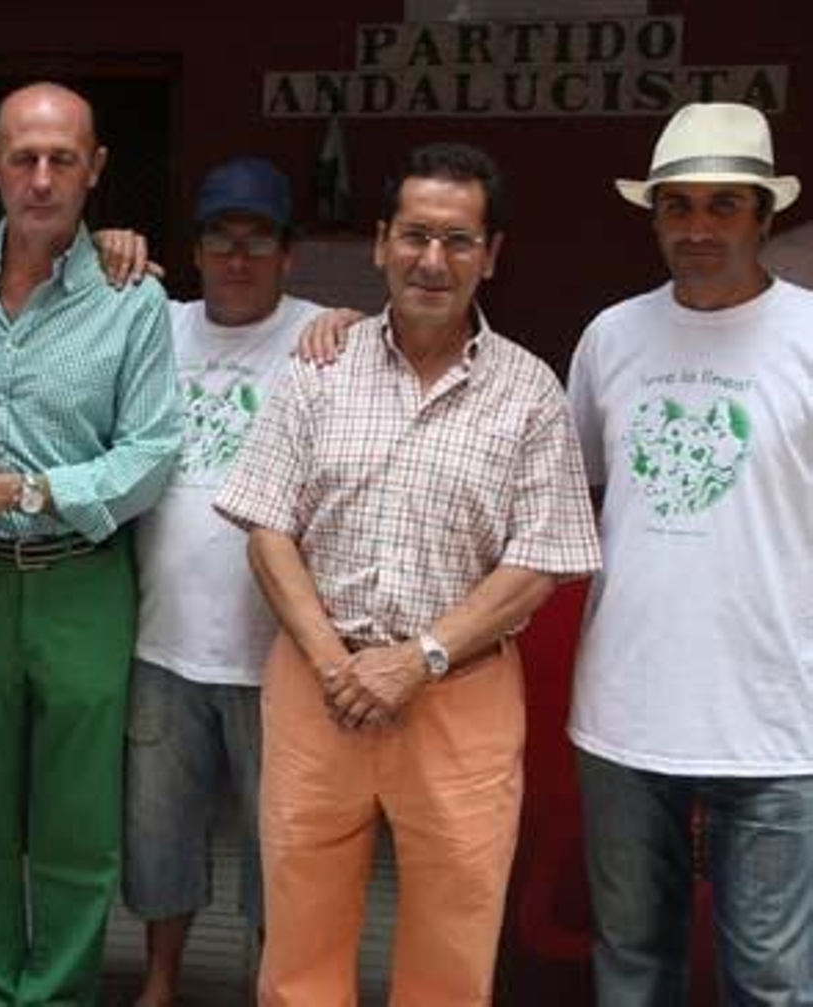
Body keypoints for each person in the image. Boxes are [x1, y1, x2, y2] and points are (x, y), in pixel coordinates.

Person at [216, 141, 600, 1006]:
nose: (434, 260)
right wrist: (332, 663)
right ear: (381, 243)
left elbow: (538, 560)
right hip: (319, 686)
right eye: (416, 235)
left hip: (458, 696)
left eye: (459, 241)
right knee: (300, 940)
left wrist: (417, 656)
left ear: (491, 255)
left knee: (454, 938)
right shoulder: (318, 370)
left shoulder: (529, 391)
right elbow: (268, 527)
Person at [0, 80, 182, 1004]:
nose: (43, 177)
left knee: (75, 820)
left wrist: (27, 488)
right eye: (24, 157)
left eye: (64, 159)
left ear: (96, 169)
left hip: (80, 581)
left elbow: (151, 451)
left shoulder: (130, 297)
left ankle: (56, 994)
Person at [567, 101, 813, 1004]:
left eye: (723, 205)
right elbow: (572, 492)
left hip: (781, 721)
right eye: (680, 206)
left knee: (776, 981)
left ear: (763, 214)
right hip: (626, 711)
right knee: (631, 965)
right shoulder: (611, 336)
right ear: (656, 216)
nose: (700, 227)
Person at [123, 156, 325, 1007]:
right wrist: (109, 245)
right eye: (220, 238)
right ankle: (161, 982)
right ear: (197, 250)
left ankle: (269, 985)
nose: (237, 257)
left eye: (257, 240)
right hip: (161, 641)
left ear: (287, 253)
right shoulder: (154, 326)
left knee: (279, 845)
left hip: (274, 651)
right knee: (157, 836)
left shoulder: (326, 336)